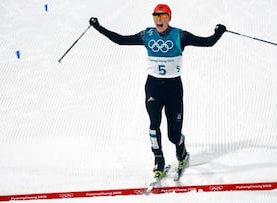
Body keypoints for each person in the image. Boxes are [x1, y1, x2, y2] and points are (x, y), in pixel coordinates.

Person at [89, 4, 226, 179]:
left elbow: (208, 42)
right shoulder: (147, 35)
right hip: (153, 87)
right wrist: (98, 27)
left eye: (162, 16)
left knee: (173, 135)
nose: (158, 20)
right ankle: (159, 159)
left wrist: (218, 32)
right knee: (154, 124)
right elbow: (121, 40)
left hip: (173, 89)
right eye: (156, 16)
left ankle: (181, 150)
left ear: (169, 17)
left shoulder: (180, 36)